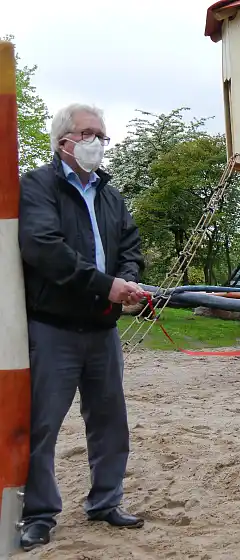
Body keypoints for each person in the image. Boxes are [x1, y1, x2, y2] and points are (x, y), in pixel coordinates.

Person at [17, 104, 147, 550]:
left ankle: (106, 500)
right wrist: (104, 285)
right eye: (89, 134)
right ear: (64, 141)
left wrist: (127, 281)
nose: (98, 143)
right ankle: (37, 513)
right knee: (42, 425)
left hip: (102, 329)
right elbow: (43, 249)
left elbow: (130, 244)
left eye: (103, 136)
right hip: (53, 328)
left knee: (111, 421)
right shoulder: (37, 186)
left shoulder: (110, 195)